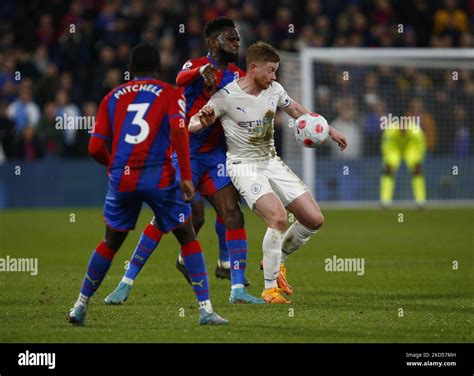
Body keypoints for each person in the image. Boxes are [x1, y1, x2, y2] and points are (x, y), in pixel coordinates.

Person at [105, 18, 263, 305]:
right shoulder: (196, 65)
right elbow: (180, 79)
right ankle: (125, 283)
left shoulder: (239, 75)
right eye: (232, 38)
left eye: (238, 39)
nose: (237, 43)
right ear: (215, 43)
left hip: (215, 153)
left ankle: (237, 290)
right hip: (184, 152)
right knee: (183, 217)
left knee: (232, 212)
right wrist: (202, 71)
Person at [68, 43, 228, 326]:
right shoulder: (170, 94)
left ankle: (80, 305)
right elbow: (180, 134)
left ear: (129, 70)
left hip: (123, 178)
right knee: (187, 236)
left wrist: (114, 167)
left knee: (110, 242)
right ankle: (205, 310)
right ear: (159, 68)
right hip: (160, 177)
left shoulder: (111, 97)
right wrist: (187, 178)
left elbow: (94, 147)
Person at [189, 41, 347, 303]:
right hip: (244, 167)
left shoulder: (275, 90)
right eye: (271, 70)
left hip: (271, 162)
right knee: (277, 218)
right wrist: (198, 122)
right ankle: (270, 288)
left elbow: (297, 111)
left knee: (314, 219)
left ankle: (277, 259)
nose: (274, 76)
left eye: (276, 71)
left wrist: (329, 130)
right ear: (253, 68)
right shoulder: (226, 96)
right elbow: (195, 122)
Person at [380, 120, 427, 208]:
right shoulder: (390, 130)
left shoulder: (416, 130)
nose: (403, 128)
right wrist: (386, 160)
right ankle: (385, 202)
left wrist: (419, 160)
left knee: (417, 171)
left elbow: (421, 145)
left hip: (411, 148)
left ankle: (421, 202)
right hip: (394, 149)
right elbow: (385, 146)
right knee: (388, 171)